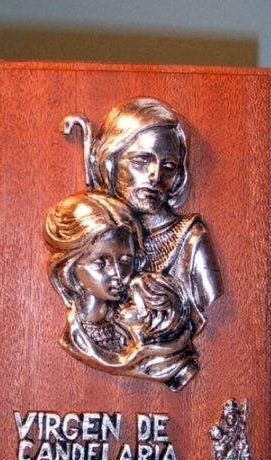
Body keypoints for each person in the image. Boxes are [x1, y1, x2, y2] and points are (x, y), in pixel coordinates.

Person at [89, 97, 223, 337]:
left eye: (169, 166)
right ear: (111, 161)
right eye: (141, 160)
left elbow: (213, 307)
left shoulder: (190, 238)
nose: (155, 175)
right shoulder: (95, 233)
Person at [44, 191, 197, 390]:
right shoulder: (75, 338)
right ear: (68, 271)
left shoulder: (143, 320)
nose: (118, 274)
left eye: (125, 260)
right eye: (100, 262)